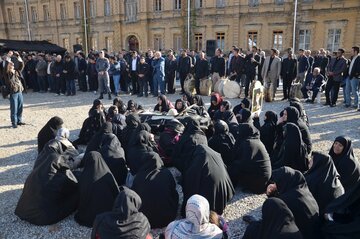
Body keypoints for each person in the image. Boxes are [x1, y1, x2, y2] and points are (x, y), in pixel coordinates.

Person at [15, 152, 78, 225]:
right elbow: (73, 186)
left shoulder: (35, 173)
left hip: (23, 211)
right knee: (77, 194)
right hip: (41, 218)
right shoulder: (56, 177)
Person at [131, 145, 178, 229]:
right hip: (167, 218)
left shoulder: (139, 177)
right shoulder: (166, 173)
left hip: (146, 220)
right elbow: (174, 193)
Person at [268, 167, 320, 239]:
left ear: (283, 182)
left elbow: (272, 217)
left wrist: (270, 194)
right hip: (315, 232)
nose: (274, 184)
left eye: (276, 183)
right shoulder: (302, 189)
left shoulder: (286, 199)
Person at [183, 144, 234, 215]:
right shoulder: (216, 155)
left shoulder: (200, 158)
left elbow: (191, 183)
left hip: (210, 202)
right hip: (224, 195)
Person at [75, 151, 119, 227]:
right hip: (107, 213)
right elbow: (116, 191)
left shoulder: (84, 177)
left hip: (88, 216)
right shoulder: (107, 174)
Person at [229, 123, 272, 193]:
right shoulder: (255, 140)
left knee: (235, 166)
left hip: (259, 181)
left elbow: (244, 163)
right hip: (264, 177)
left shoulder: (249, 143)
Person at [3, 61, 25, 128]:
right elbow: (4, 69)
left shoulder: (17, 71)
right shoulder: (7, 73)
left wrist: (19, 59)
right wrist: (7, 59)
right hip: (13, 92)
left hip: (19, 91)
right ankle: (14, 122)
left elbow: (21, 66)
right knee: (14, 108)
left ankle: (19, 120)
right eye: (11, 64)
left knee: (20, 107)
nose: (12, 65)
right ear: (8, 65)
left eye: (13, 64)